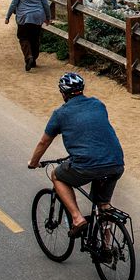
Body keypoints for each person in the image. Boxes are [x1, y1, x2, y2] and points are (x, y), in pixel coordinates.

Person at [26, 73, 124, 236]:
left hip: (86, 165)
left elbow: (44, 142)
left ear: (63, 93)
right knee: (104, 205)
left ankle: (77, 219)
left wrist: (33, 162)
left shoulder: (60, 114)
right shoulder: (98, 104)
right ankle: (107, 249)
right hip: (116, 163)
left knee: (57, 176)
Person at [5, 0, 51, 72]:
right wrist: (48, 17)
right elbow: (45, 4)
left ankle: (29, 56)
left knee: (23, 38)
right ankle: (34, 58)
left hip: (23, 17)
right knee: (35, 38)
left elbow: (14, 3)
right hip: (37, 16)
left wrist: (8, 16)